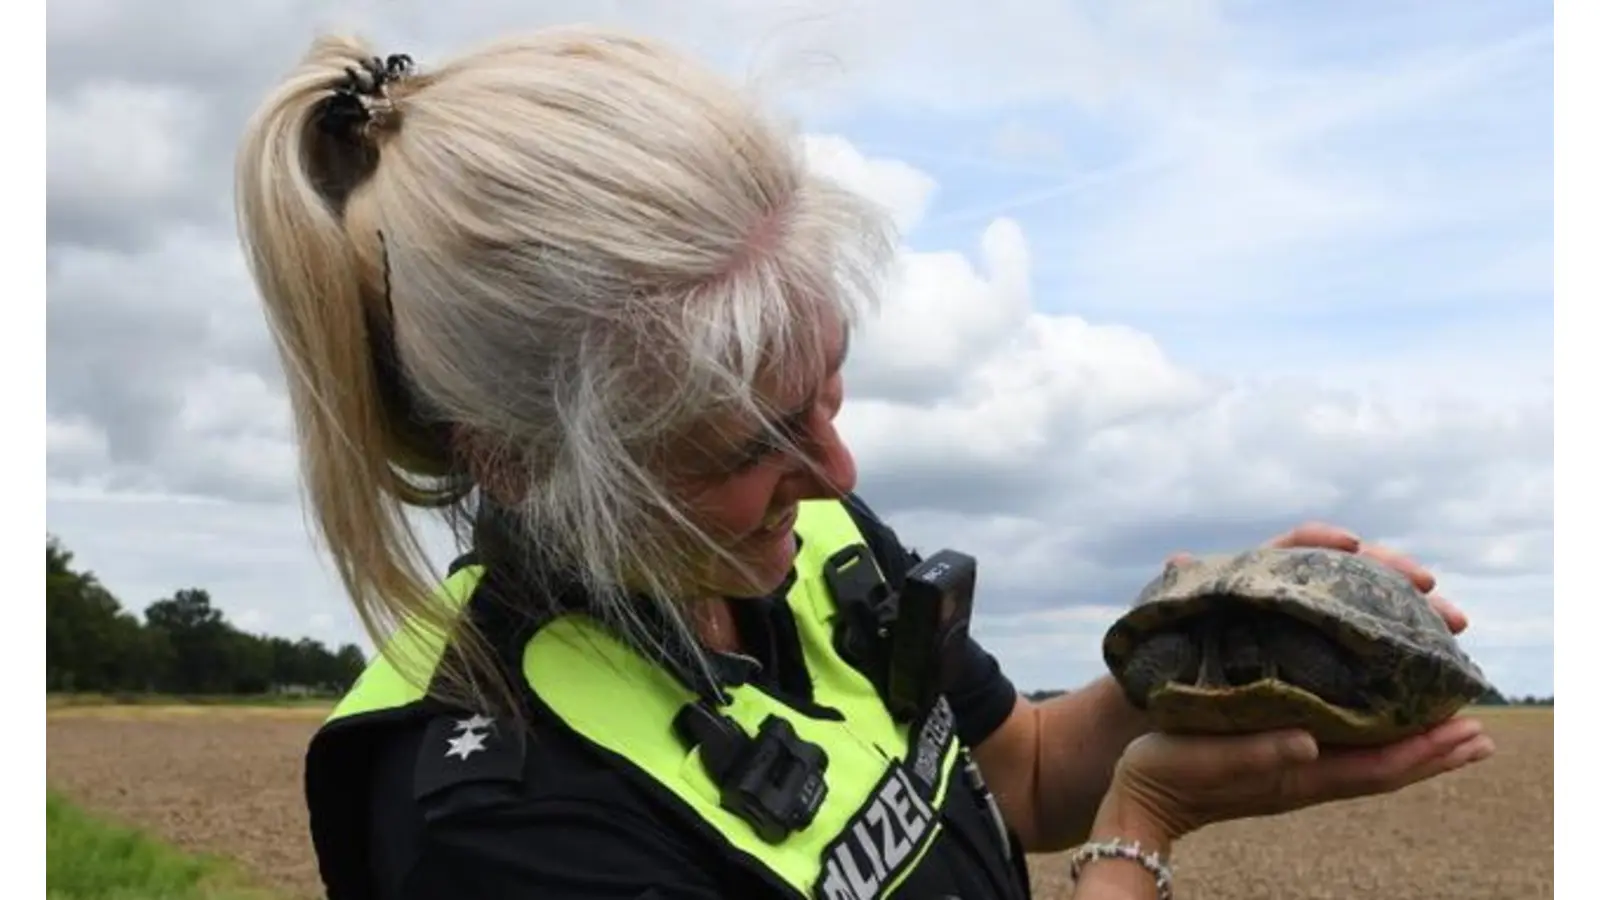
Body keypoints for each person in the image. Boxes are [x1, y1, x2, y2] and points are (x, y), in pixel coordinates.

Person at [232, 27, 1495, 900]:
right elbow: (1096, 817)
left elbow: (1024, 776)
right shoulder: (497, 823)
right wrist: (1143, 837)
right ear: (519, 465)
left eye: (827, 387)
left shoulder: (804, 539)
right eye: (753, 443)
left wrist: (1220, 662)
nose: (836, 469)